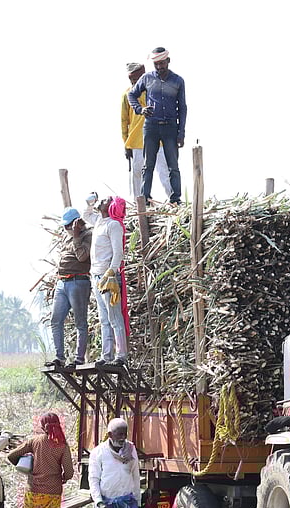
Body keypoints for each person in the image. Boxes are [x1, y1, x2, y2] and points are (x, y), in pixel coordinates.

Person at [7, 412, 74, 508]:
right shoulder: (62, 445)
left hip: (33, 491)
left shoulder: (33, 441)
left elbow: (11, 456)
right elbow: (69, 472)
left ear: (43, 426)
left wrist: (26, 468)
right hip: (53, 493)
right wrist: (63, 478)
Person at [127, 47, 186, 204]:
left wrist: (181, 133)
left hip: (170, 127)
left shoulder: (177, 80)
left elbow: (183, 108)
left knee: (172, 165)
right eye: (156, 64)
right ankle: (144, 197)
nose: (159, 67)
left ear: (168, 61)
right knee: (148, 165)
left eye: (162, 63)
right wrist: (140, 109)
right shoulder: (147, 78)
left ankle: (175, 198)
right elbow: (131, 95)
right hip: (151, 126)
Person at [84, 197, 129, 366]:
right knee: (104, 318)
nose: (103, 200)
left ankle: (121, 355)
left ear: (110, 207)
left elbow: (118, 253)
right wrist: (90, 202)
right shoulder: (98, 222)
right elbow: (85, 214)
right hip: (96, 275)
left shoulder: (113, 225)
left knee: (114, 317)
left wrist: (111, 272)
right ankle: (106, 355)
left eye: (106, 200)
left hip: (107, 276)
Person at [47, 205, 93, 368]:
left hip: (78, 281)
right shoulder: (66, 237)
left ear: (77, 223)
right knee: (55, 320)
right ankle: (60, 357)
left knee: (80, 322)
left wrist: (76, 236)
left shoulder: (87, 235)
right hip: (62, 282)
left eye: (69, 225)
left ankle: (79, 359)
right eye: (65, 226)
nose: (67, 228)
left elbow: (82, 257)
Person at [122, 63, 174, 202]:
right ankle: (140, 203)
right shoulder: (127, 94)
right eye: (133, 80)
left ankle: (174, 201)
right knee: (138, 173)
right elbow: (124, 121)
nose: (135, 82)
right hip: (137, 142)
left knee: (164, 172)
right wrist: (126, 145)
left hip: (159, 139)